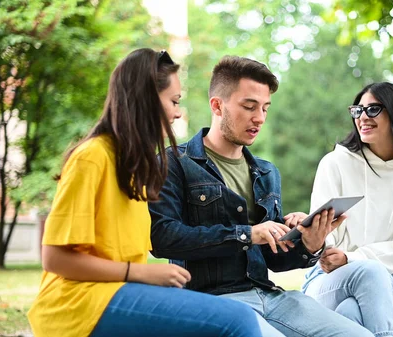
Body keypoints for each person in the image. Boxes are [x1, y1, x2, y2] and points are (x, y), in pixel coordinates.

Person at [27, 48, 262, 337]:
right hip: (78, 304)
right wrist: (140, 273)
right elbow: (55, 259)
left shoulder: (135, 165)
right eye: (174, 101)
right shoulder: (92, 157)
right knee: (238, 320)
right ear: (147, 99)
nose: (178, 113)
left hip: (118, 294)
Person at [148, 56, 372, 337]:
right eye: (249, 106)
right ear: (217, 106)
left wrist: (308, 245)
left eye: (265, 108)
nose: (260, 118)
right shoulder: (174, 163)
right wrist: (247, 234)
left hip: (272, 298)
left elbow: (275, 260)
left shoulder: (266, 172)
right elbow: (163, 238)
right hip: (213, 301)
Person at [301, 82, 393, 336]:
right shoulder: (336, 163)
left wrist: (353, 257)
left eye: (373, 109)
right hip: (329, 279)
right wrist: (322, 244)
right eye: (357, 110)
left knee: (350, 315)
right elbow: (325, 234)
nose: (363, 117)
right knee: (369, 272)